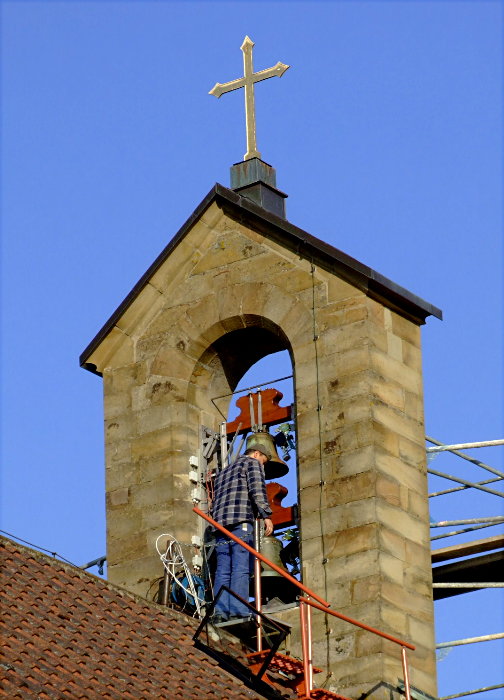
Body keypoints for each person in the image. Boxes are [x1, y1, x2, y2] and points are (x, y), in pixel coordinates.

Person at [211, 444, 273, 621]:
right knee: (241, 566)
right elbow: (257, 491)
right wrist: (266, 515)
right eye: (263, 461)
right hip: (240, 522)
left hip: (220, 526)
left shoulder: (224, 472)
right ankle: (239, 610)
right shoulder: (252, 464)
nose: (262, 466)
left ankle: (220, 612)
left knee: (223, 569)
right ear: (256, 454)